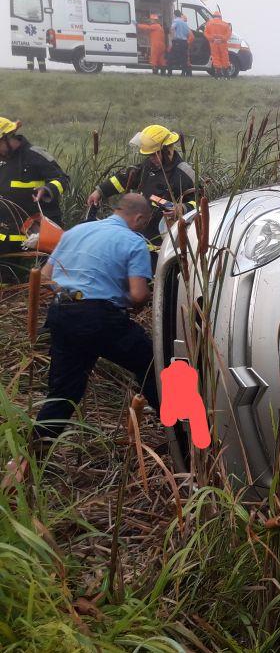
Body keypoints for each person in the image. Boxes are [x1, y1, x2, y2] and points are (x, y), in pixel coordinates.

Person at [33, 193, 159, 442]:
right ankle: (183, 436)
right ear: (140, 218)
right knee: (153, 365)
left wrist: (75, 294)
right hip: (100, 318)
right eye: (144, 223)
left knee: (64, 393)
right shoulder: (134, 242)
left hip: (62, 312)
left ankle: (28, 458)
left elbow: (44, 277)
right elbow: (138, 294)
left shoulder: (76, 231)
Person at [86, 124, 197, 261]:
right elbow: (123, 179)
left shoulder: (184, 173)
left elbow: (200, 202)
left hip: (168, 247)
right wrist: (100, 191)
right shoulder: (148, 166)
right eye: (149, 155)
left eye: (154, 155)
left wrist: (182, 208)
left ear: (167, 150)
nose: (151, 159)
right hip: (140, 240)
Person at [0, 117, 70, 284]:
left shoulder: (35, 156)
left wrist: (47, 190)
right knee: (6, 281)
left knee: (43, 281)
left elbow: (62, 179)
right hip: (6, 233)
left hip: (38, 233)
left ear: (7, 138)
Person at [204, 10, 233, 78]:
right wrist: (222, 39)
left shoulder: (208, 24)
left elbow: (205, 33)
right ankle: (226, 74)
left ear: (213, 16)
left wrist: (212, 39)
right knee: (224, 56)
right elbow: (229, 34)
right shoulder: (225, 24)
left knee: (215, 57)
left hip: (213, 43)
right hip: (222, 43)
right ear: (220, 17)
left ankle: (218, 74)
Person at [168, 10, 192, 76]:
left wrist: (172, 38)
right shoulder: (184, 23)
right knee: (184, 58)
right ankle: (183, 73)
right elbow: (188, 33)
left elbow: (172, 28)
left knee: (171, 57)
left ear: (174, 15)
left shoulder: (176, 21)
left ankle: (169, 73)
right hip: (184, 42)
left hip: (177, 42)